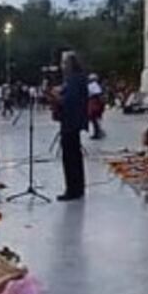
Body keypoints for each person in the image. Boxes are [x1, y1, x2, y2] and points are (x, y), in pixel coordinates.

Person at [54, 51, 90, 201]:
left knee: (70, 157)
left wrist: (56, 96)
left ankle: (73, 189)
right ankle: (78, 187)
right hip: (73, 121)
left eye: (63, 62)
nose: (61, 66)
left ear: (69, 64)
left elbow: (69, 101)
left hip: (70, 122)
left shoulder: (74, 79)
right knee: (75, 155)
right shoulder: (77, 78)